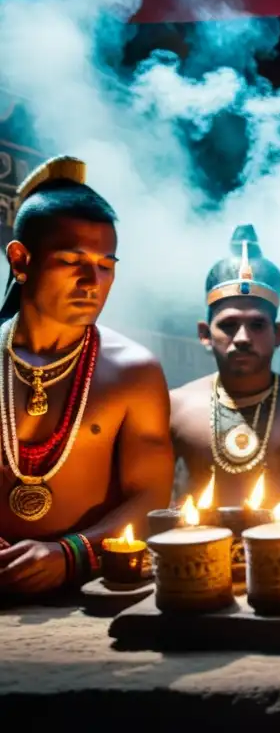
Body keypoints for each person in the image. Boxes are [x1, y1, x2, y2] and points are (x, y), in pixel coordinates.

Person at [0, 155, 175, 595]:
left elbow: (151, 497)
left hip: (92, 593)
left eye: (106, 264)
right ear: (21, 261)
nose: (91, 281)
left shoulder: (134, 372)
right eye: (70, 260)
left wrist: (70, 553)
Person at [170, 224, 280, 508]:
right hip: (199, 550)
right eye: (228, 325)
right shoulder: (176, 405)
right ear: (205, 334)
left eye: (257, 325)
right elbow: (155, 508)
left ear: (278, 333)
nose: (242, 338)